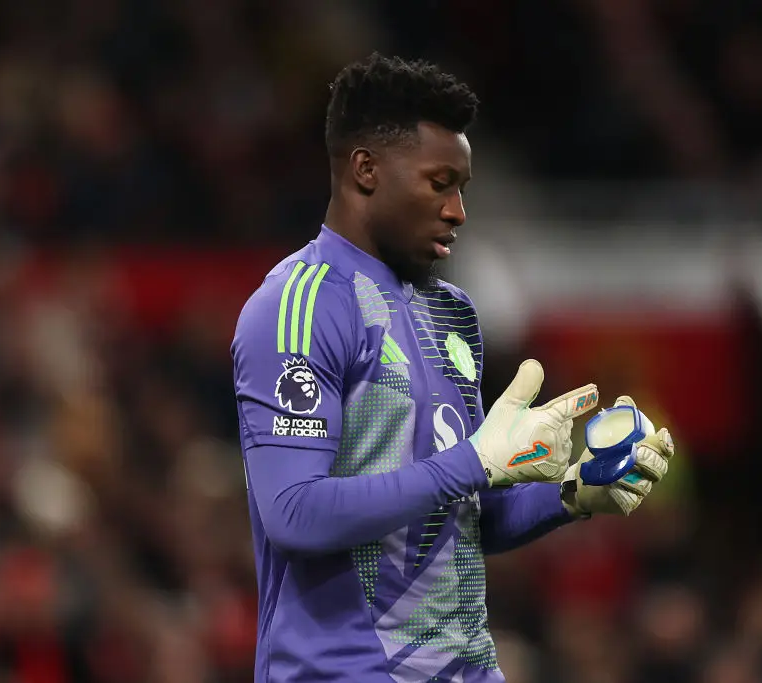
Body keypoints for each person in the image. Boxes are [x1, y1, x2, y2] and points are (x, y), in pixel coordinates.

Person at [231, 52, 674, 683]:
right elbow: (295, 513)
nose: (459, 211)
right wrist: (478, 462)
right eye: (441, 184)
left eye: (463, 188)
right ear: (366, 171)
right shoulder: (299, 306)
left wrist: (572, 492)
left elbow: (465, 515)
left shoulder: (452, 313)